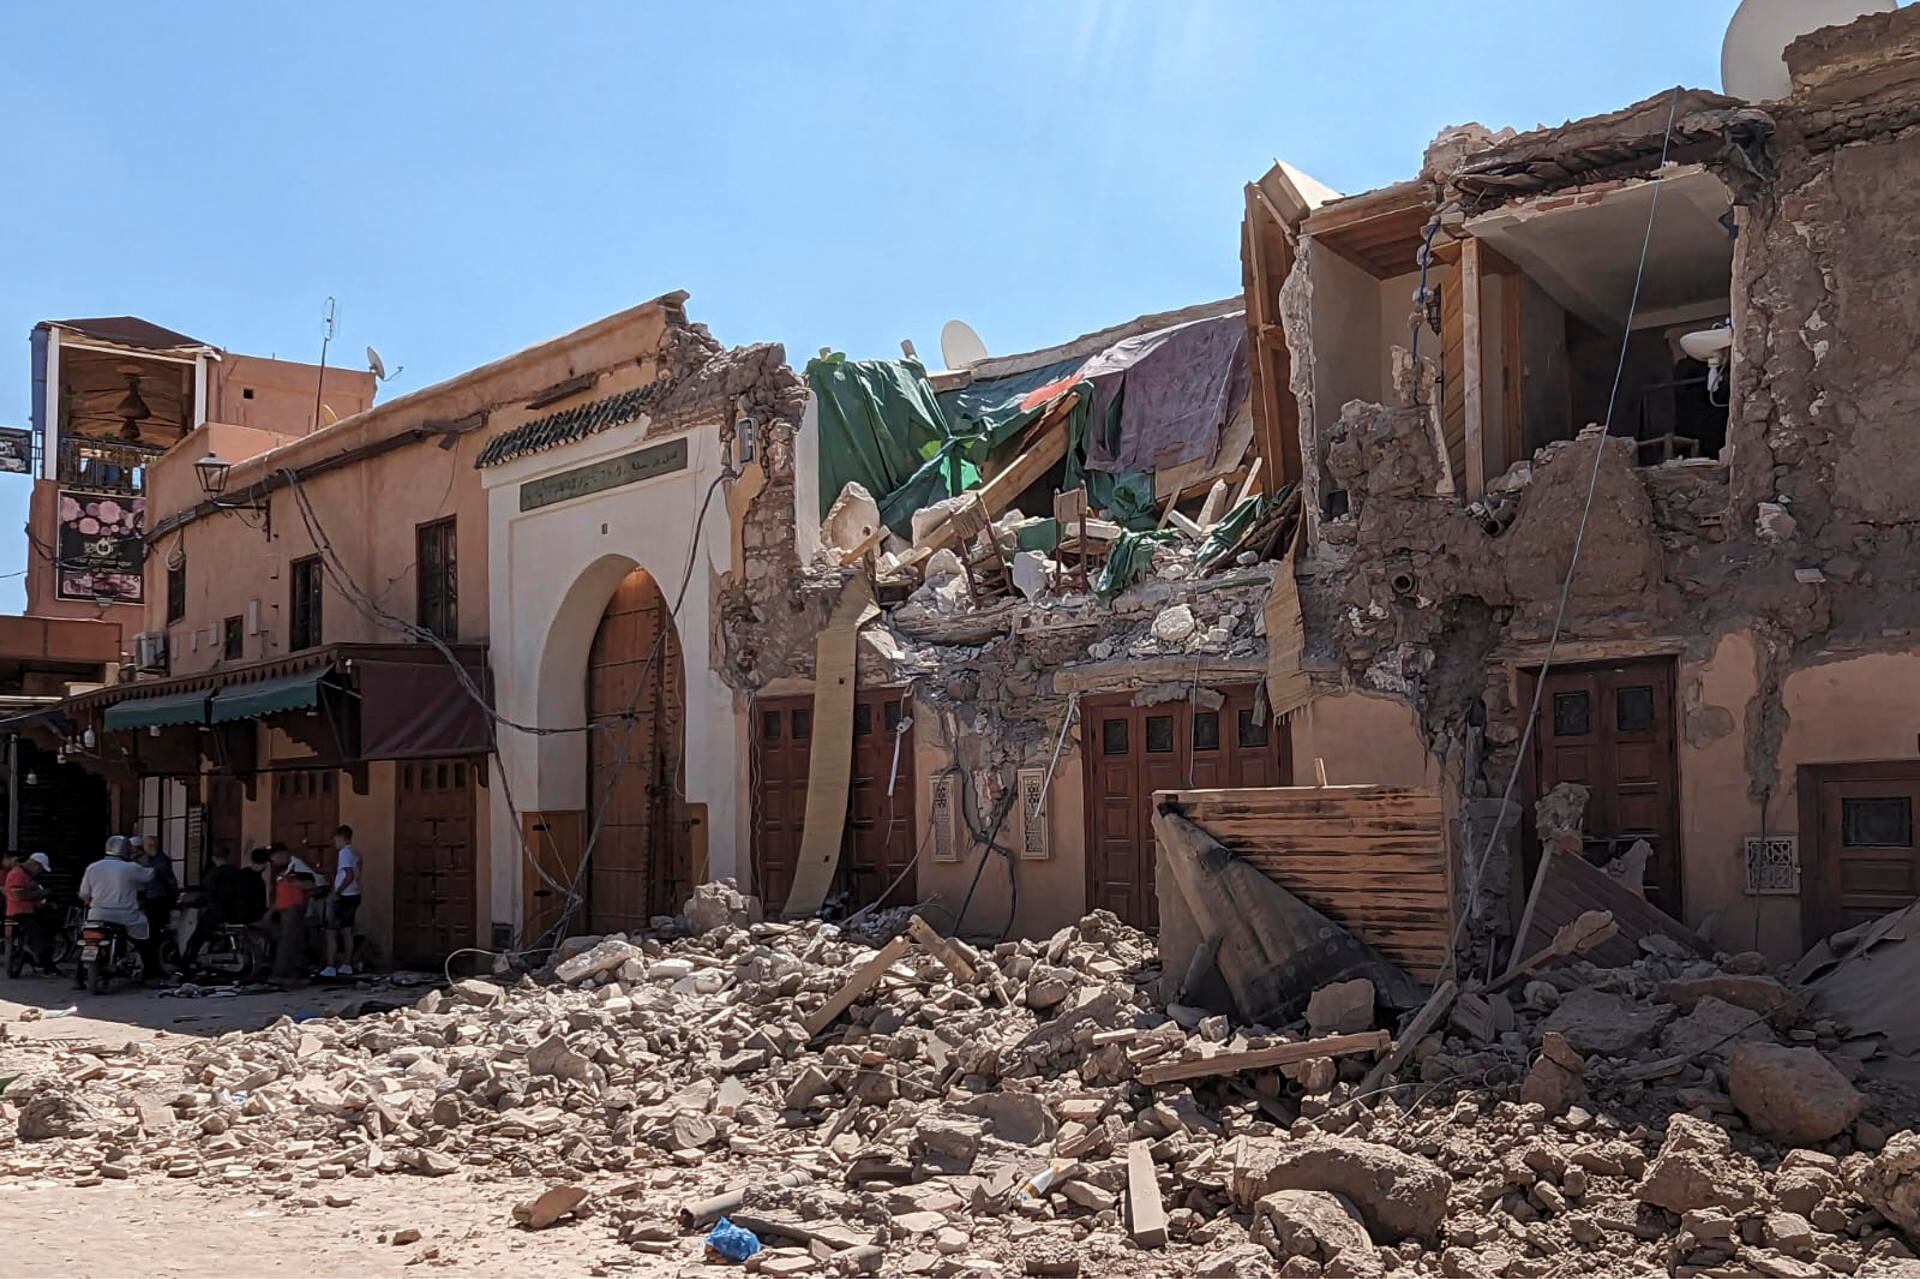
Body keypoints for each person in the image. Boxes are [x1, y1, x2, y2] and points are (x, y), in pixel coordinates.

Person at [76, 836, 157, 987]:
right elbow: (150, 875)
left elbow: (84, 894)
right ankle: (150, 973)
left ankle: (78, 978)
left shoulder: (93, 867)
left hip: (97, 914)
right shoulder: (131, 868)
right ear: (126, 850)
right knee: (144, 940)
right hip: (125, 915)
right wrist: (151, 856)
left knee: (87, 942)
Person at [179, 845, 269, 974]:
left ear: (214, 858)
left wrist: (193, 902)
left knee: (196, 938)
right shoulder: (238, 873)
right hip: (238, 912)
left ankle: (184, 967)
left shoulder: (213, 875)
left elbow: (209, 896)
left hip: (218, 913)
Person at [267, 842, 317, 984]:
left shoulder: (297, 866)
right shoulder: (283, 869)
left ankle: (282, 974)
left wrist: (293, 883)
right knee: (286, 940)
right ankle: (294, 972)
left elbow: (311, 884)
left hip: (293, 909)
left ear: (282, 854)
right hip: (282, 910)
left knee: (287, 942)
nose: (273, 861)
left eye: (274, 857)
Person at [5, 851, 59, 974]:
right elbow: (18, 895)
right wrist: (41, 893)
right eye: (40, 868)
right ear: (35, 864)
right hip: (21, 913)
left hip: (24, 911)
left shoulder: (24, 875)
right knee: (40, 939)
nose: (39, 872)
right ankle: (47, 966)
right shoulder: (18, 874)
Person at [134, 836, 178, 980]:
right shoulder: (157, 860)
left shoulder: (157, 863)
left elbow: (169, 881)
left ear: (149, 846)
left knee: (152, 934)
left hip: (156, 900)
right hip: (155, 899)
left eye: (145, 846)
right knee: (153, 933)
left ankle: (152, 967)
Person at [321, 825, 361, 978]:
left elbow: (348, 875)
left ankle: (330, 966)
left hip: (343, 896)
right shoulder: (355, 852)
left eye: (335, 839)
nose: (334, 842)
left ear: (341, 837)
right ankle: (347, 964)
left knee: (331, 931)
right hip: (354, 894)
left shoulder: (344, 853)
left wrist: (336, 892)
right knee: (347, 930)